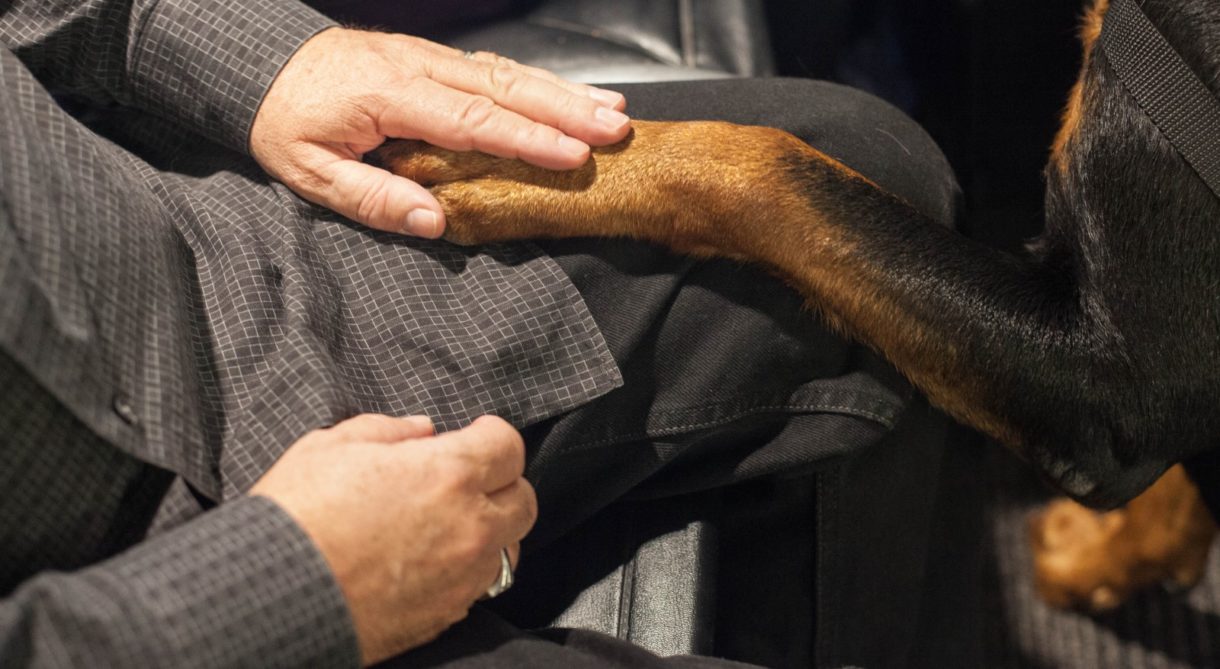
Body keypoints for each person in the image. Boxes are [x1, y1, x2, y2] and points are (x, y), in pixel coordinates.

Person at [0, 0, 958, 666]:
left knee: (872, 199)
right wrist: (275, 595)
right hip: (160, 602)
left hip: (189, 252)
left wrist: (247, 54)